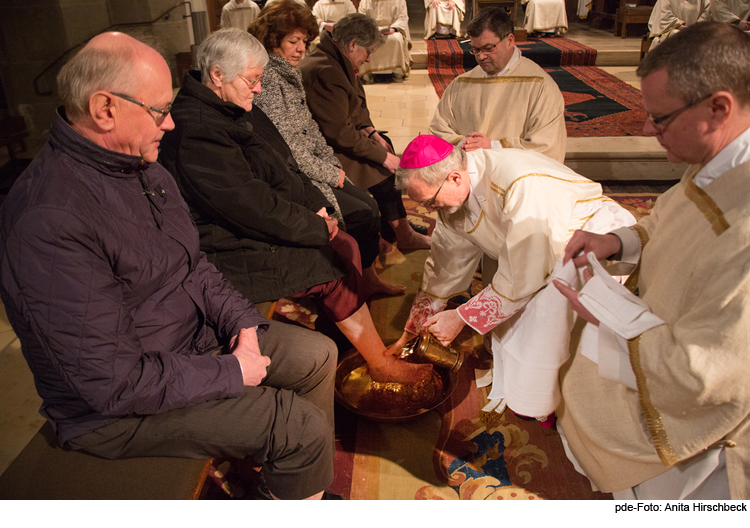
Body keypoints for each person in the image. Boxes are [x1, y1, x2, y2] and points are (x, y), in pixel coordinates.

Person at [0, 31, 339, 500]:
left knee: (317, 356)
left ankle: (291, 481)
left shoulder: (142, 166)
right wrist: (230, 372)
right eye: (160, 110)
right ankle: (292, 481)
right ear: (105, 109)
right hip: (113, 414)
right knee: (298, 426)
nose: (172, 124)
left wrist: (240, 322)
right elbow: (110, 382)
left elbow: (192, 263)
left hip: (188, 345)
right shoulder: (49, 219)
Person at [158, 29, 430, 385]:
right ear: (217, 75)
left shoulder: (227, 104)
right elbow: (249, 205)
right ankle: (375, 362)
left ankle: (352, 348)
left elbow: (280, 165)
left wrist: (314, 209)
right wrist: (314, 226)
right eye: (252, 80)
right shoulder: (197, 130)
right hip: (222, 242)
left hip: (250, 219)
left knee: (345, 237)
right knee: (329, 260)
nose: (259, 89)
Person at [554, 22, 750, 500]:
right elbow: (669, 219)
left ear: (719, 108)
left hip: (696, 409)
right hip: (660, 328)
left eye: (659, 118)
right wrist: (616, 242)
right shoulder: (721, 156)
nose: (645, 129)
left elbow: (705, 375)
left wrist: (612, 318)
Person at [390, 135, 635, 421]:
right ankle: (526, 385)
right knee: (505, 322)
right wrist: (412, 330)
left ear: (455, 177)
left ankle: (547, 402)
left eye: (430, 202)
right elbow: (444, 264)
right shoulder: (452, 195)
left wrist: (462, 317)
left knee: (538, 323)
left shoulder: (519, 183)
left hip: (588, 243)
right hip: (527, 254)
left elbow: (526, 271)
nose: (431, 210)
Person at [249, 1, 404, 297]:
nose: (300, 49)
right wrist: (329, 173)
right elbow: (289, 146)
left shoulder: (288, 72)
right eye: (293, 41)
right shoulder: (269, 80)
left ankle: (370, 261)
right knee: (363, 210)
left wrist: (332, 165)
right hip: (290, 174)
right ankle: (359, 280)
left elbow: (311, 130)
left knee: (366, 203)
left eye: (304, 41)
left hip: (314, 162)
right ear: (273, 40)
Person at [300, 13, 431, 250]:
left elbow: (356, 106)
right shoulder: (327, 70)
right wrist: (383, 157)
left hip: (335, 136)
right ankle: (400, 232)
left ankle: (393, 228)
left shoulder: (336, 59)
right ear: (352, 45)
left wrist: (372, 133)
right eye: (368, 52)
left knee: (385, 144)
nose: (369, 59)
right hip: (324, 149)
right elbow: (340, 133)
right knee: (381, 166)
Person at [428, 7, 566, 163]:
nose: (481, 56)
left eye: (488, 48)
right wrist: (464, 143)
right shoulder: (461, 84)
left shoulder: (540, 85)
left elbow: (547, 146)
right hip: (467, 179)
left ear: (510, 40)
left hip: (513, 182)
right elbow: (438, 129)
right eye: (475, 50)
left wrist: (493, 146)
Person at [356, 0, 411, 82]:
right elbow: (361, 19)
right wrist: (371, 30)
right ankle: (368, 72)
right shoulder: (365, 1)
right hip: (371, 31)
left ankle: (397, 71)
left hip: (392, 31)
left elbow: (402, 17)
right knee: (367, 41)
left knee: (395, 40)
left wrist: (393, 29)